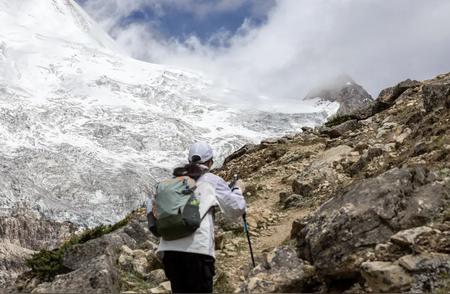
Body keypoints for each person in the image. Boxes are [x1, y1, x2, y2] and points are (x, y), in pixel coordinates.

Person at [146, 141, 246, 293]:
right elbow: (236, 208)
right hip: (197, 251)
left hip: (169, 252)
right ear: (210, 162)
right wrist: (238, 189)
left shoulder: (173, 182)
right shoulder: (213, 181)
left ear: (189, 161)